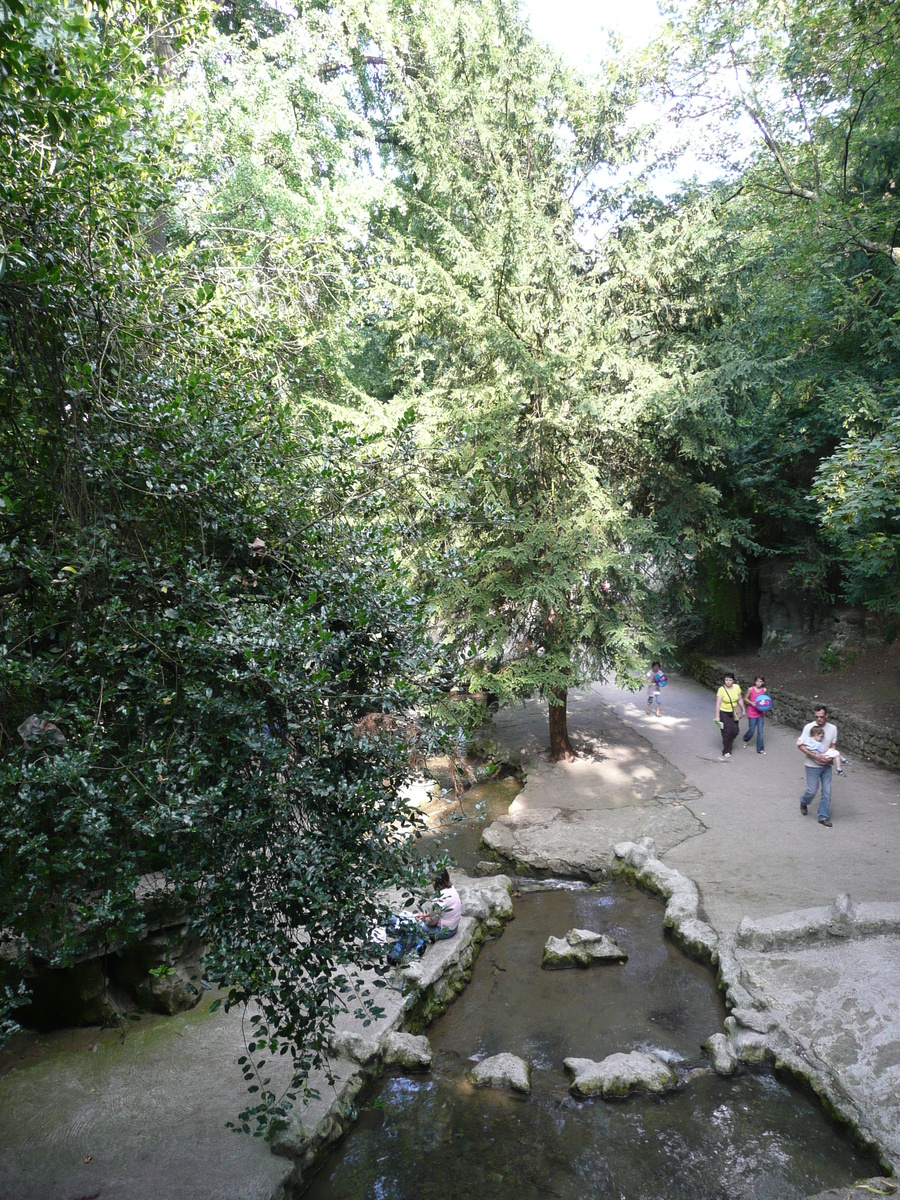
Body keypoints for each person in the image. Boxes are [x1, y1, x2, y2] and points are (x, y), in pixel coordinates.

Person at [797, 705, 839, 826]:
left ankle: (822, 817)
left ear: (826, 716)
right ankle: (804, 801)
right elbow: (800, 745)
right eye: (817, 717)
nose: (819, 719)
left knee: (827, 792)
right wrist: (814, 756)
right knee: (812, 790)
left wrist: (830, 756)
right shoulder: (809, 727)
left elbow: (833, 745)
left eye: (821, 716)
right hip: (812, 765)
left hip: (826, 765)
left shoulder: (833, 728)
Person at [416, 869, 461, 942]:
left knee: (414, 923)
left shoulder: (438, 898)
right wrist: (424, 915)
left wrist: (422, 919)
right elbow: (436, 913)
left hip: (446, 932)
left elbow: (432, 922)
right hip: (454, 927)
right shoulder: (451, 888)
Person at [714, 672, 745, 759]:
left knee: (735, 730)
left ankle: (729, 740)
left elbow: (740, 699)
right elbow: (718, 703)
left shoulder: (736, 687)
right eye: (726, 680)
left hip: (734, 711)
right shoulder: (721, 690)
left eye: (730, 680)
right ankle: (726, 750)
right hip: (724, 712)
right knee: (727, 731)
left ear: (733, 681)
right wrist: (717, 716)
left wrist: (743, 710)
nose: (728, 682)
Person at [742, 675, 767, 754]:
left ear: (763, 682)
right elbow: (745, 698)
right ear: (755, 682)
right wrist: (751, 703)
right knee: (752, 730)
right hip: (752, 712)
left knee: (760, 732)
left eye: (760, 681)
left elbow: (765, 700)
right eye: (757, 681)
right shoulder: (751, 689)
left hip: (760, 713)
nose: (759, 683)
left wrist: (764, 706)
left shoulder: (764, 690)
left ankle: (760, 749)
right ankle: (745, 739)